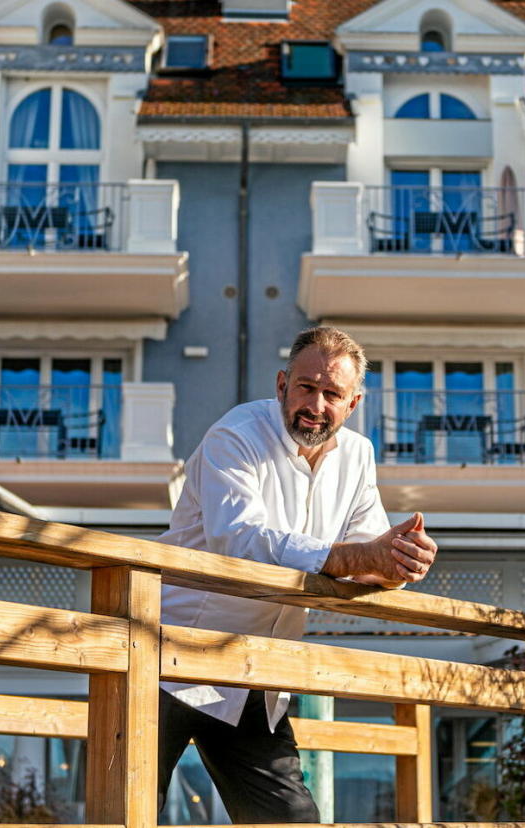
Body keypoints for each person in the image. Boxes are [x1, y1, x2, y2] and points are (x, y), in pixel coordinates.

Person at [154, 325, 439, 823]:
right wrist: (361, 558)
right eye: (307, 387)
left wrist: (399, 561)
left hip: (252, 675)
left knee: (290, 820)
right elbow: (237, 538)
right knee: (125, 810)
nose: (317, 404)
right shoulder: (235, 435)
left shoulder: (358, 456)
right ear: (282, 384)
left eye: (333, 394)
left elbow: (366, 554)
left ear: (353, 404)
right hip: (163, 658)